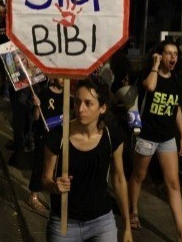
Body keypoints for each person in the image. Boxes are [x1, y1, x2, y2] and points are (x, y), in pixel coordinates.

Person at [42, 77, 132, 242]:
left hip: (101, 223)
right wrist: (55, 186)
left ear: (102, 107)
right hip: (64, 223)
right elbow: (45, 179)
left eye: (88, 103)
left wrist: (127, 226)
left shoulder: (113, 137)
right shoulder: (58, 137)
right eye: (77, 102)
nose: (80, 109)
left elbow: (119, 179)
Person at [127, 40, 182, 241]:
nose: (172, 57)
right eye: (167, 53)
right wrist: (155, 66)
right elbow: (149, 87)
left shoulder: (176, 80)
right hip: (147, 136)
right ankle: (133, 211)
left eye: (175, 53)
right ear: (159, 55)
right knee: (139, 176)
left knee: (173, 183)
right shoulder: (149, 75)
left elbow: (176, 108)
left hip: (167, 138)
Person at [28, 78, 63, 212]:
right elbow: (36, 117)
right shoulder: (43, 93)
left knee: (53, 167)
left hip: (58, 136)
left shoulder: (67, 96)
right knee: (39, 163)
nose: (63, 80)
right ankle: (33, 196)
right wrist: (37, 106)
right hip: (43, 135)